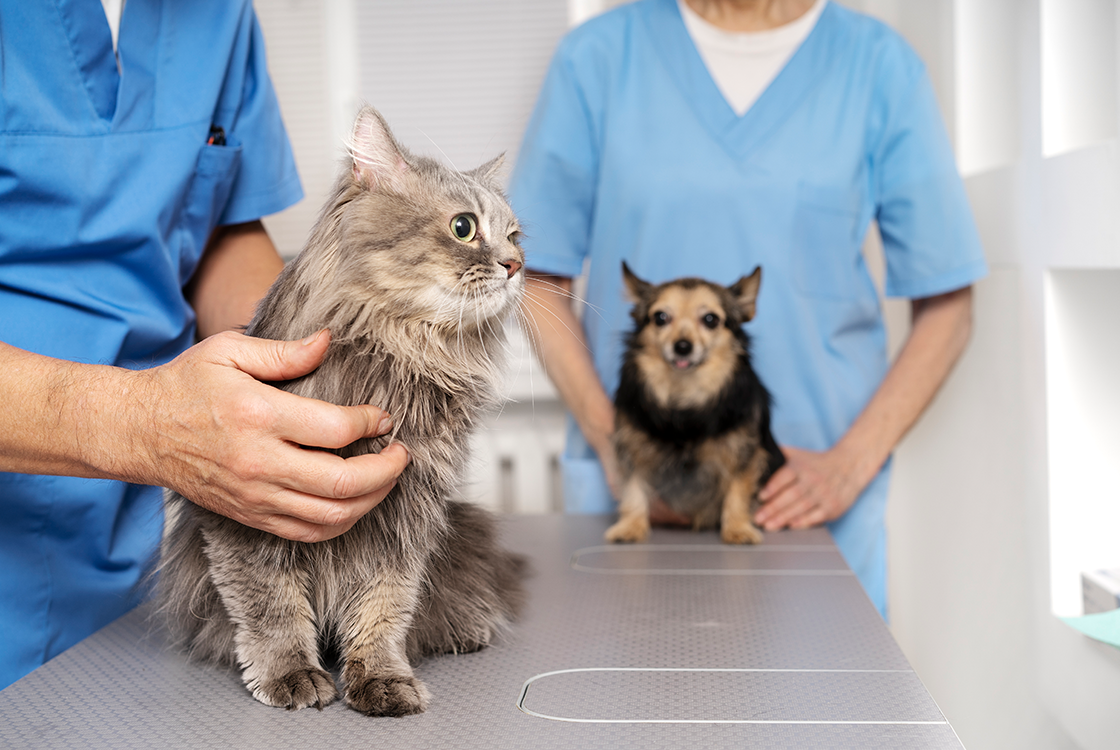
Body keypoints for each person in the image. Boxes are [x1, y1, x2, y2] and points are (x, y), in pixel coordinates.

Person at [510, 0, 986, 618]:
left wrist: (850, 463)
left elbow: (948, 302)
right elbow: (538, 275)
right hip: (636, 503)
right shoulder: (596, 59)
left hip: (804, 509)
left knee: (822, 708)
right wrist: (616, 444)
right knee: (627, 702)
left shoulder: (879, 68)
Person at [0, 0, 409, 689]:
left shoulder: (219, 16)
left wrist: (325, 361)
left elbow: (213, 227)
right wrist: (144, 425)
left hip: (117, 591)